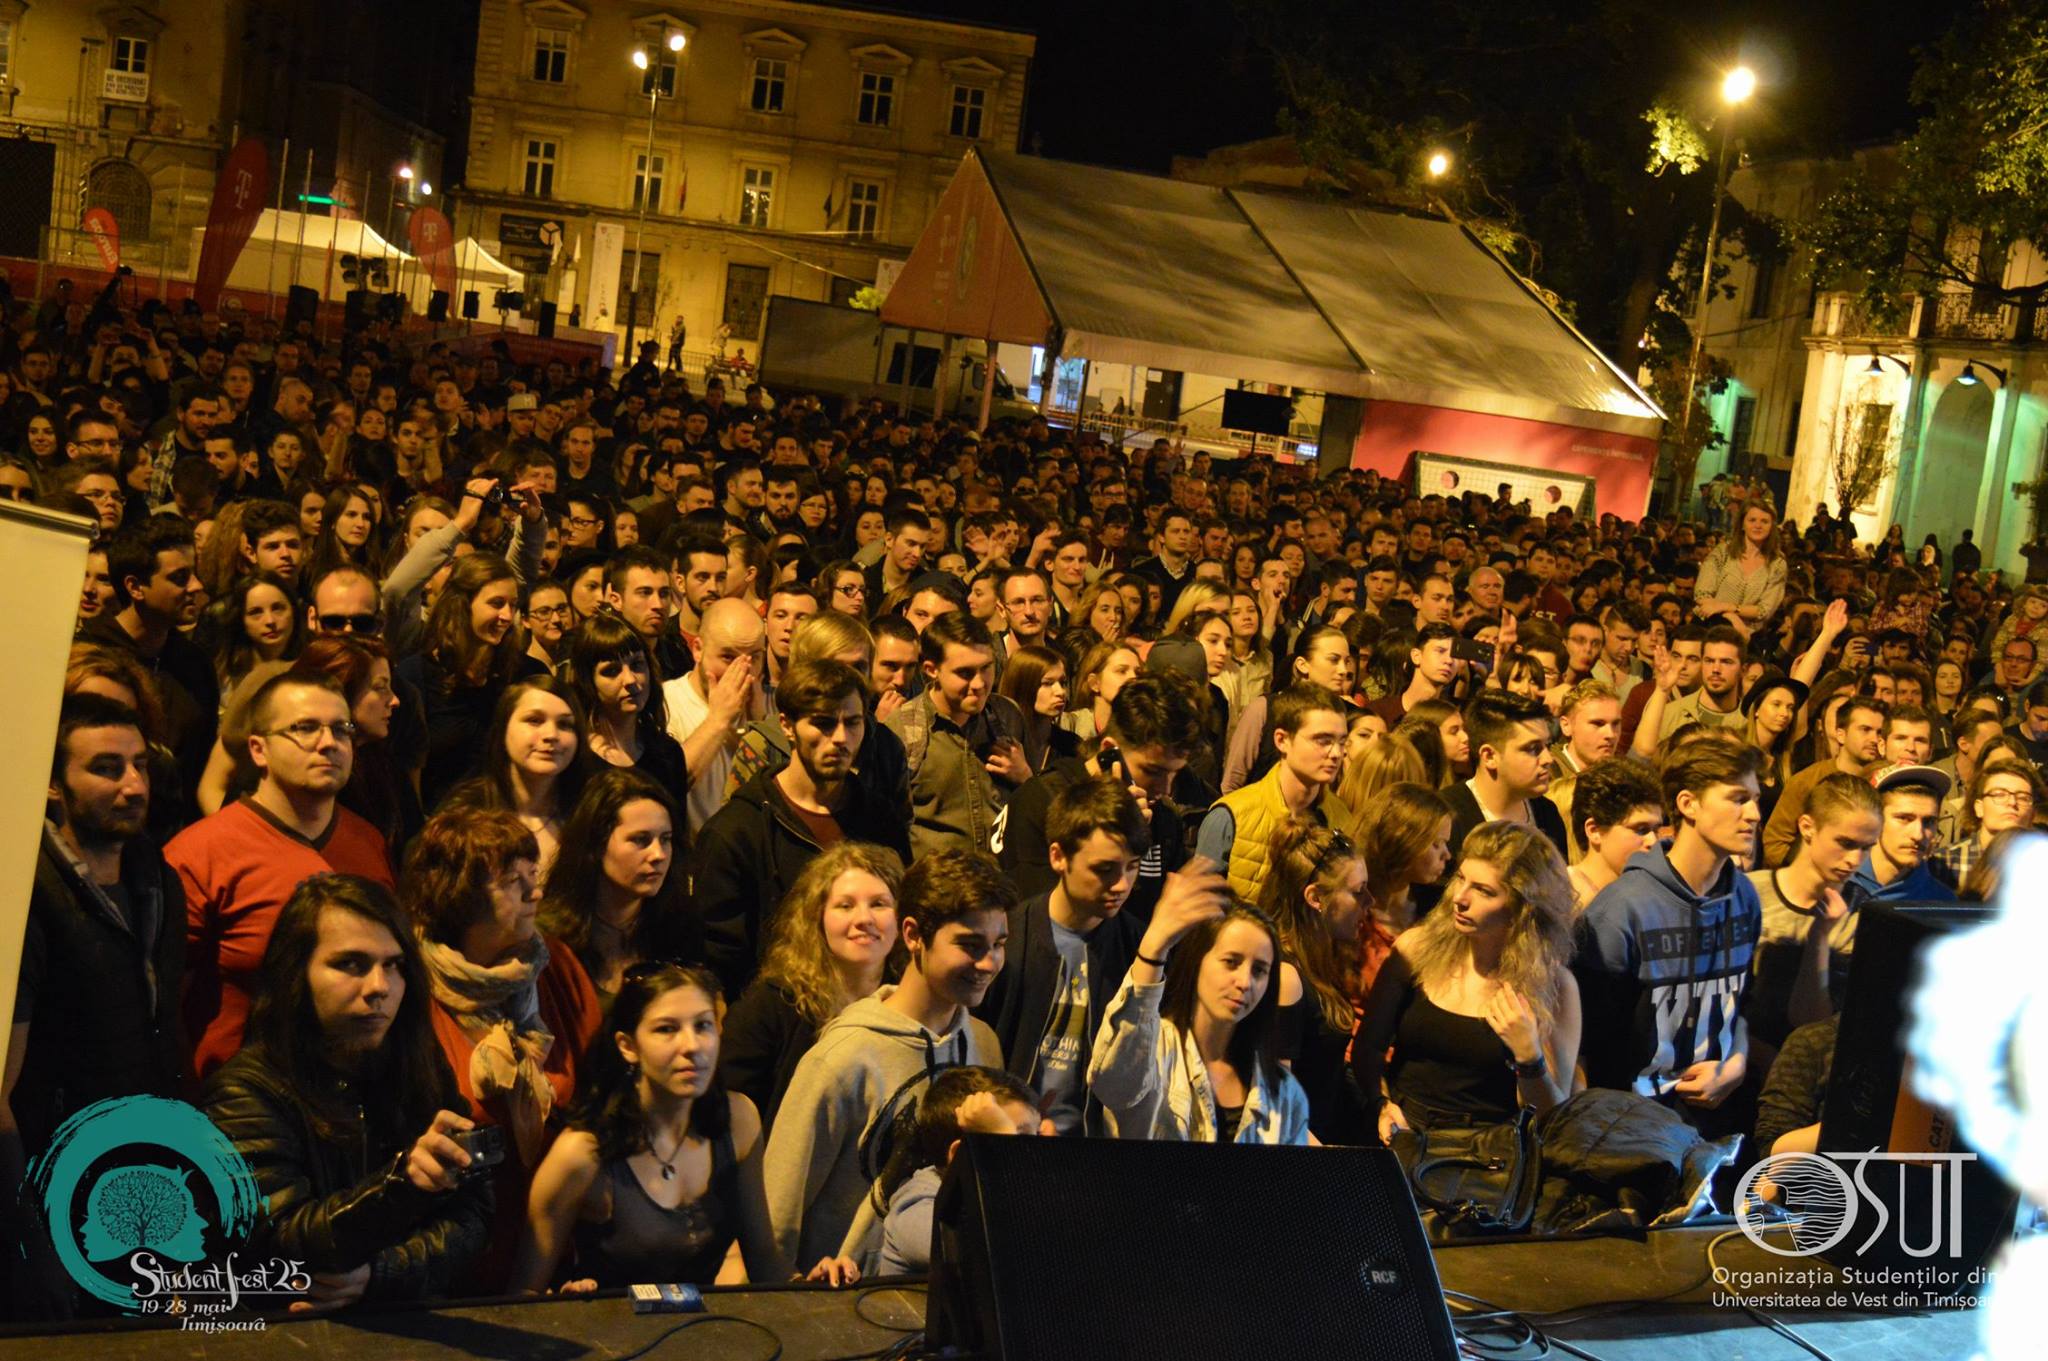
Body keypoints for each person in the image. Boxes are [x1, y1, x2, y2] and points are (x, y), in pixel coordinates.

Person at [201, 875, 492, 1309]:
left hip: (410, 1326)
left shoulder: (417, 1068)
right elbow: (279, 1241)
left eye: (393, 965)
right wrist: (404, 1184)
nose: (380, 986)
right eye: (351, 964)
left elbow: (474, 1214)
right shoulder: (245, 1093)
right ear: (296, 973)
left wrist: (382, 1273)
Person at [514, 963, 857, 1291]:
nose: (692, 1046)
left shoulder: (738, 1120)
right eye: (667, 1029)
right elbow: (522, 1300)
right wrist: (564, 1308)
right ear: (628, 1046)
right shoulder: (582, 1153)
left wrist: (813, 1285)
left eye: (703, 1026)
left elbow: (767, 1265)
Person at [763, 849, 1011, 1273]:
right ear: (913, 935)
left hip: (946, 1297)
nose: (988, 963)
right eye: (970, 945)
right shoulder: (842, 1058)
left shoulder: (983, 1043)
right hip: (850, 1306)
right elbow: (777, 1214)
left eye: (999, 944)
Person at [404, 808, 603, 1291]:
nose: (536, 892)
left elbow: (599, 1084)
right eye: (514, 882)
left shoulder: (555, 967)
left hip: (555, 1246)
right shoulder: (410, 988)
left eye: (534, 876)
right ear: (460, 895)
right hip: (453, 1256)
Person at [5, 698, 185, 1208]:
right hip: (54, 1175)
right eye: (106, 769)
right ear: (53, 783)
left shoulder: (158, 878)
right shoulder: (29, 893)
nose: (134, 786)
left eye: (140, 766)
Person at [171, 673, 396, 1078]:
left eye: (341, 730)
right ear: (259, 749)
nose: (328, 743)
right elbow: (163, 1008)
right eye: (305, 728)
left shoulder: (368, 841)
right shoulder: (200, 853)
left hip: (353, 1093)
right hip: (236, 1104)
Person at [1574, 739, 1764, 1134]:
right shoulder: (1622, 910)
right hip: (1635, 1128)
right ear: (1687, 804)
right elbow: (1589, 1044)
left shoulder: (1743, 895)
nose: (1754, 814)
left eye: (1755, 799)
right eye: (1738, 799)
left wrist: (1736, 1063)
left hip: (1718, 1115)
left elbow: (1741, 1005)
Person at [694, 660, 913, 996]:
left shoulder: (879, 819)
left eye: (853, 723)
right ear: (787, 725)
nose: (841, 738)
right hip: (778, 1020)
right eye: (824, 724)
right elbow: (720, 960)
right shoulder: (738, 831)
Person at [1355, 823, 1581, 1139]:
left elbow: (1552, 1116)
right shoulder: (1416, 949)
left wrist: (1530, 1058)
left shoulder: (1552, 985)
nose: (1459, 898)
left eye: (1484, 891)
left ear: (1523, 908)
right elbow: (1369, 1048)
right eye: (1461, 879)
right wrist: (1380, 1103)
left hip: (1488, 1159)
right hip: (1403, 1137)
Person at [975, 779, 1163, 1137]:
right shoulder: (1008, 937)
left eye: (1132, 867)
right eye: (1104, 869)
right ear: (1058, 857)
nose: (1122, 884)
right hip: (1008, 1138)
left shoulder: (1138, 944)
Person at [1088, 892, 1312, 1146]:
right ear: (1198, 961)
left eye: (1259, 970)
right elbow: (1112, 1083)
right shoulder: (1154, 1050)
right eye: (1231, 962)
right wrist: (1154, 948)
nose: (1244, 982)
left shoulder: (1282, 1091)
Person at [721, 844, 905, 1133]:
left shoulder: (911, 1000)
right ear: (817, 917)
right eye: (845, 905)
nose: (864, 919)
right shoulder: (772, 1004)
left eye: (879, 904)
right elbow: (729, 1111)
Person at [998, 671, 1203, 921]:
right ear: (1109, 751)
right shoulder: (1041, 800)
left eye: (1174, 773)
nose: (1165, 788)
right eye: (1152, 771)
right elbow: (1031, 918)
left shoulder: (1163, 818)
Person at [1744, 774, 1879, 1071]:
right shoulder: (1750, 893)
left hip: (1806, 1074)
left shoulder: (1864, 913)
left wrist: (1819, 936)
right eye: (1845, 843)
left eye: (1867, 847)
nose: (1855, 859)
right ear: (1807, 827)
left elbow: (1812, 1026)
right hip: (1736, 1066)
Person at [537, 770, 698, 1011]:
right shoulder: (549, 943)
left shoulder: (679, 927)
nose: (659, 855)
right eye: (640, 840)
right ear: (596, 845)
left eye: (665, 839)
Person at [398, 553, 549, 809]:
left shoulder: (527, 673)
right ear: (462, 605)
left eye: (512, 605)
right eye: (496, 603)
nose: (506, 616)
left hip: (514, 822)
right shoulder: (414, 676)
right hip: (446, 829)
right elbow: (406, 775)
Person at [871, 1066, 1048, 1277]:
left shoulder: (1025, 1192)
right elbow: (999, 1251)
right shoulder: (918, 1205)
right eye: (1019, 1140)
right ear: (960, 1156)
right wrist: (1001, 1151)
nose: (1037, 1151)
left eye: (1035, 1134)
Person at [1258, 818, 1374, 1141]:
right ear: (1315, 898)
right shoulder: (1286, 978)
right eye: (1358, 892)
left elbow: (1329, 1070)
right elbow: (1276, 1107)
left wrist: (1380, 1104)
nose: (1370, 903)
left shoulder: (1320, 957)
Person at [885, 611, 1030, 858]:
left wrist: (1026, 777)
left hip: (1000, 883)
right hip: (935, 887)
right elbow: (887, 828)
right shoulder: (903, 729)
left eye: (986, 668)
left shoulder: (1006, 716)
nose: (979, 683)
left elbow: (1032, 808)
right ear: (931, 670)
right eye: (965, 673)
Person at [1196, 684, 1355, 905]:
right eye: (1323, 741)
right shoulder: (1231, 816)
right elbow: (1201, 915)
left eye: (1341, 741)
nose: (1336, 753)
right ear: (1281, 740)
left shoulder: (1340, 818)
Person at [661, 596, 765, 835]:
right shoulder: (666, 703)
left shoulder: (772, 704)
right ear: (698, 649)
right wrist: (719, 719)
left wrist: (760, 730)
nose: (741, 671)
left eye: (754, 657)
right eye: (728, 657)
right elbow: (667, 785)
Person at [559, 611, 688, 797]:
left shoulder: (668, 754)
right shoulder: (574, 758)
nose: (630, 679)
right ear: (587, 681)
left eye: (637, 665)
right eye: (611, 670)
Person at [1761, 696, 1888, 867]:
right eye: (1865, 730)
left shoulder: (1886, 782)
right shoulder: (1807, 781)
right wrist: (1808, 872)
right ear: (1841, 734)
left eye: (1879, 732)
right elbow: (1775, 841)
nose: (1874, 739)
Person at [1444, 688, 1569, 860]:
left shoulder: (1547, 813)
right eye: (1533, 749)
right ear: (1489, 756)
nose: (1548, 759)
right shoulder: (1447, 816)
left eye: (1546, 746)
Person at [1844, 764, 1956, 905]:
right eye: (1904, 818)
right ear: (1874, 819)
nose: (1918, 835)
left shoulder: (1941, 903)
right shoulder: (1834, 882)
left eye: (1928, 822)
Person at [1565, 757, 1665, 911]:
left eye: (1656, 829)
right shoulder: (1563, 896)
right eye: (1640, 829)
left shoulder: (1650, 893)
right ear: (1594, 831)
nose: (1653, 841)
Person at [1935, 756, 2044, 888]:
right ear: (1979, 807)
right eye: (1999, 794)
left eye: (2023, 798)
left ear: (2033, 813)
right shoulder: (1944, 861)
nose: (2012, 802)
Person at [998, 642, 1080, 774]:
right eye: (1047, 683)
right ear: (1022, 686)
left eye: (1062, 682)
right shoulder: (1000, 747)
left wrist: (1025, 777)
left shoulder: (1071, 746)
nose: (1061, 692)